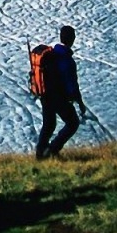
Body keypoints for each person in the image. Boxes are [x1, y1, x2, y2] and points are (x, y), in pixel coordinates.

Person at [36, 25, 86, 160]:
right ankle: (52, 150)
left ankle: (40, 155)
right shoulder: (66, 59)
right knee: (72, 123)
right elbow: (71, 84)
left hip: (45, 95)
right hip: (58, 97)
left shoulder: (52, 53)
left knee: (49, 124)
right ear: (72, 39)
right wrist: (79, 102)